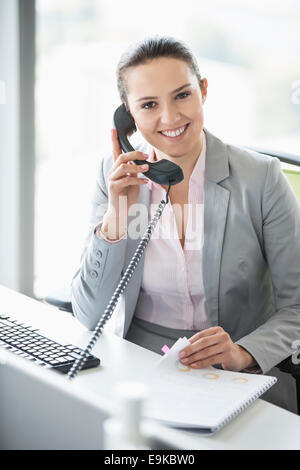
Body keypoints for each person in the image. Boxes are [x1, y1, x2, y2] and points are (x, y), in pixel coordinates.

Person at [71, 36, 300, 413]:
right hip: (140, 368)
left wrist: (244, 353)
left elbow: (296, 307)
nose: (171, 118)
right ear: (127, 116)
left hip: (238, 375)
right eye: (148, 104)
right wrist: (116, 218)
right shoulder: (113, 176)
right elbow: (90, 315)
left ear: (203, 91)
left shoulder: (261, 178)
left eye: (182, 95)